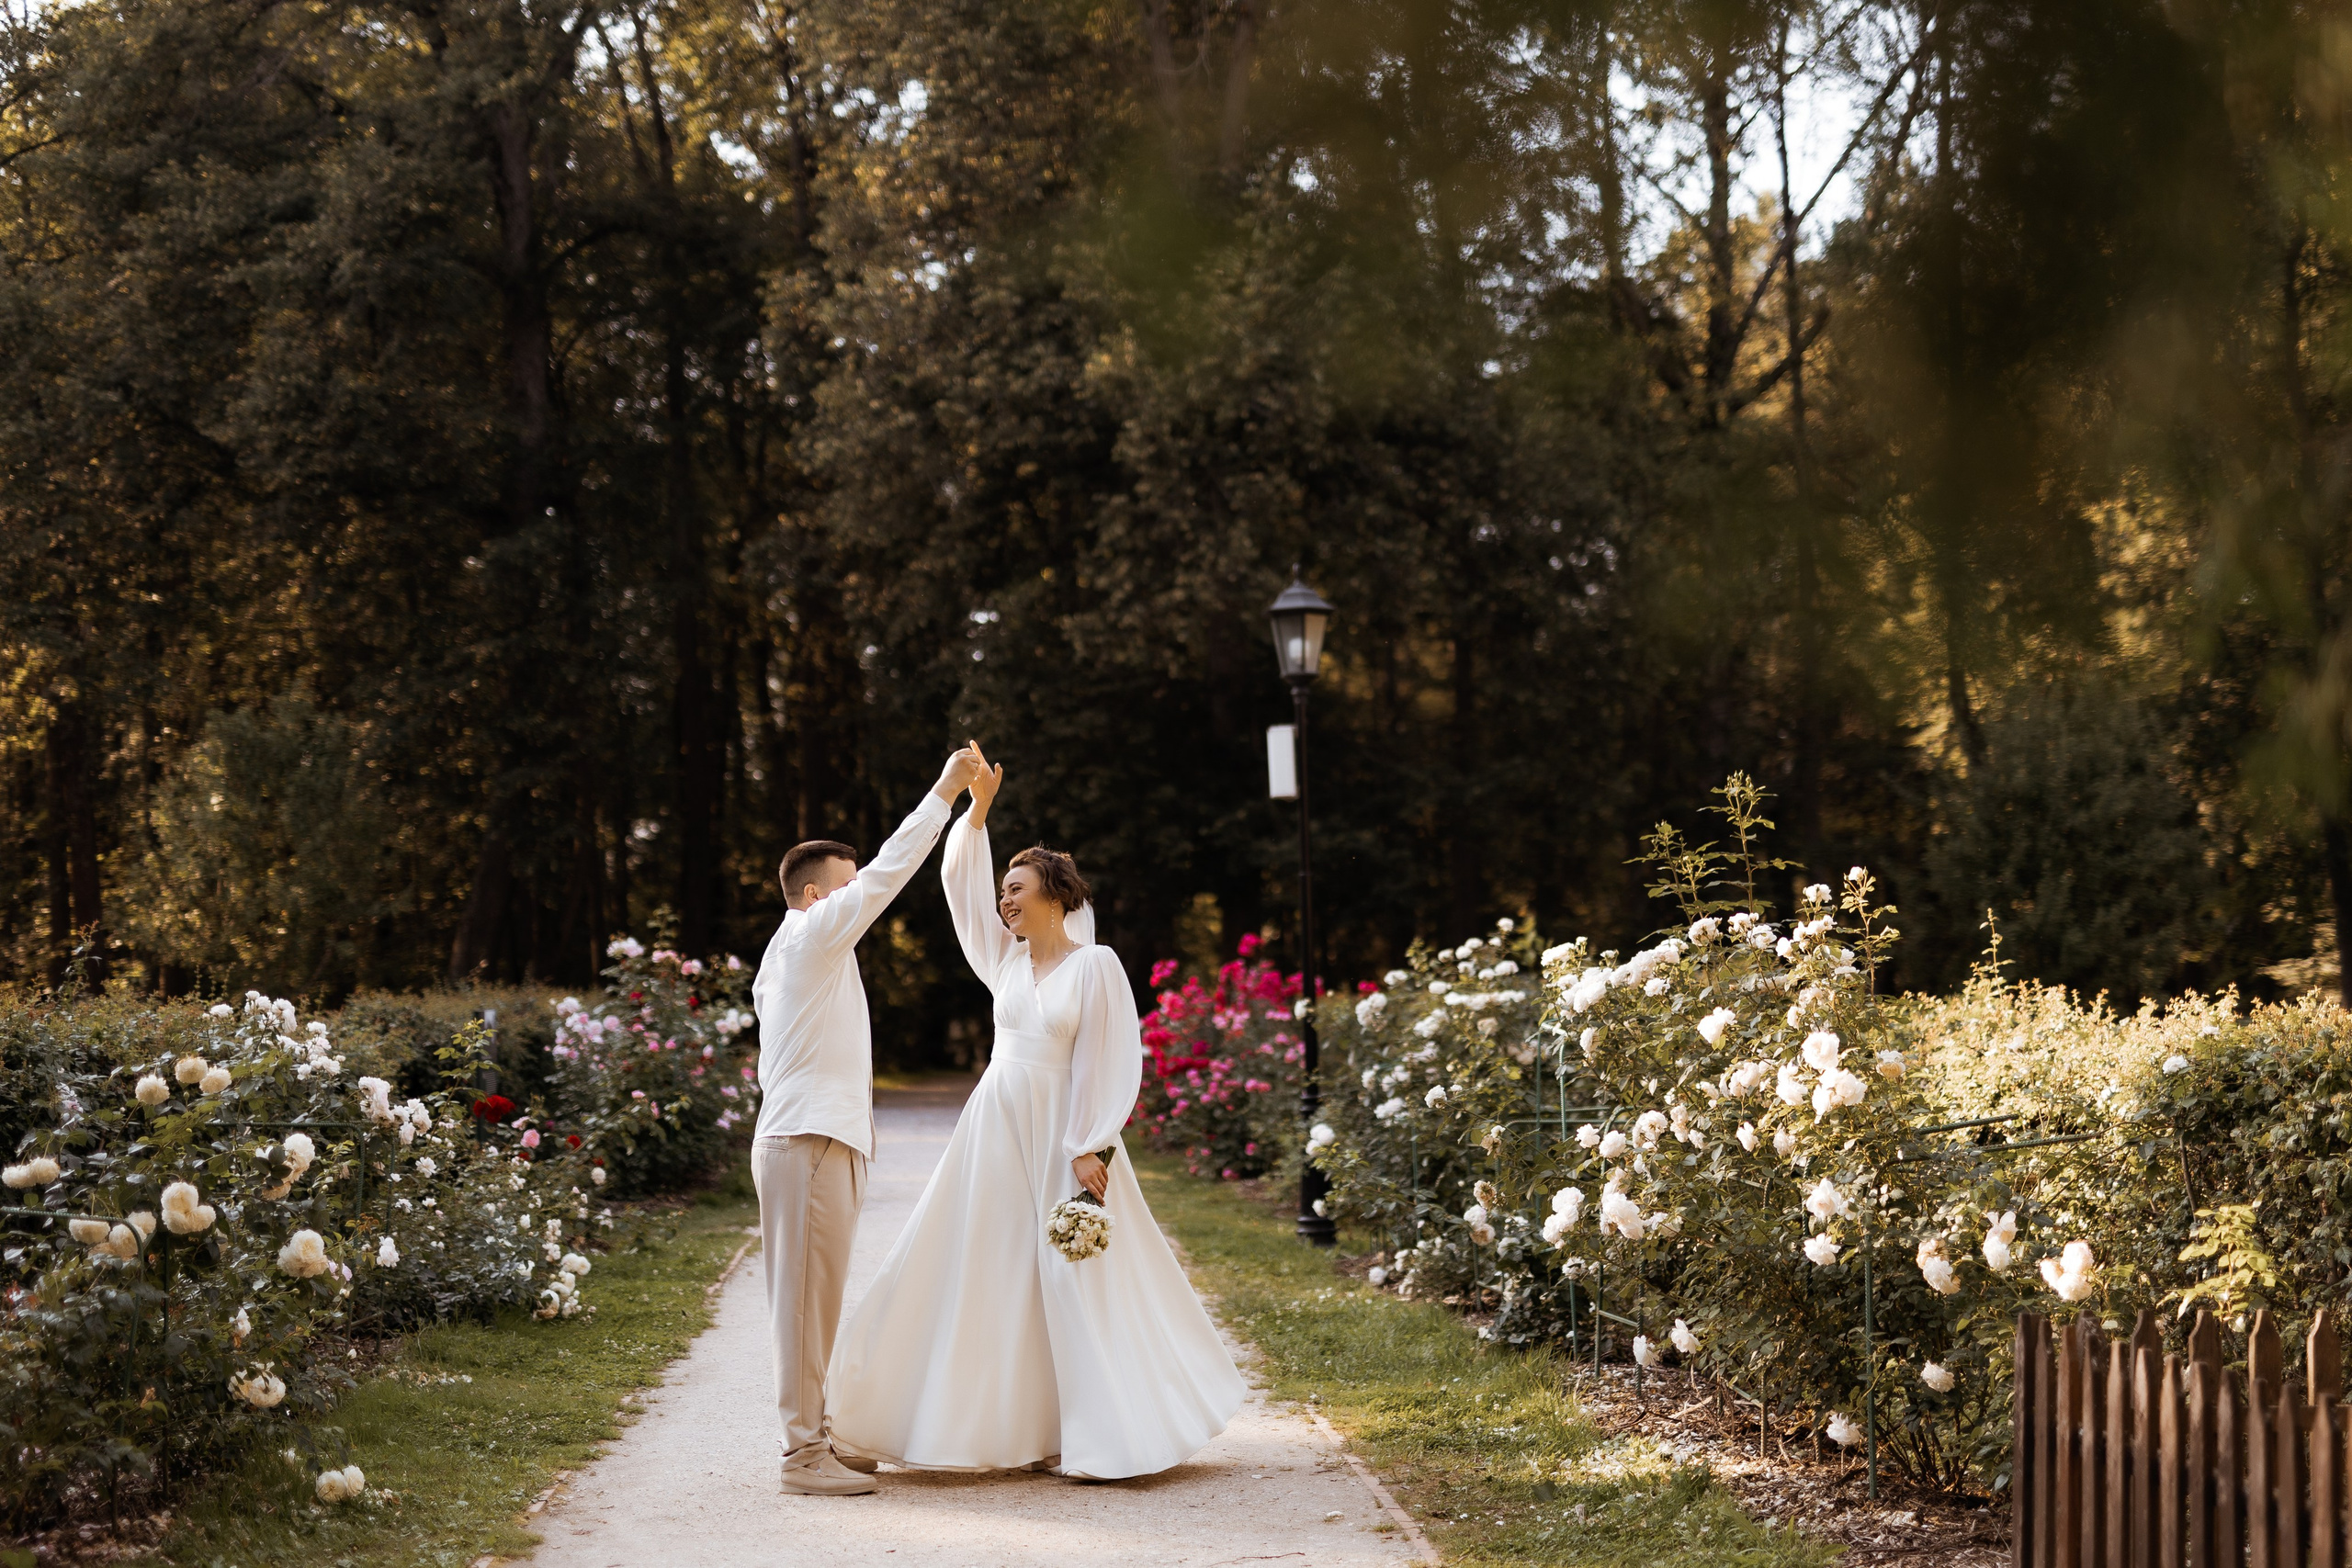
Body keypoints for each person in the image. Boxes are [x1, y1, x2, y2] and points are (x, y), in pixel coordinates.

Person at [826, 743, 1245, 1480]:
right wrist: (976, 813)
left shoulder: (1097, 966)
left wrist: (1091, 1145)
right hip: (994, 1129)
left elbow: (1111, 1062)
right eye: (1004, 892)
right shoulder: (1005, 960)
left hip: (1062, 1136)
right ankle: (929, 1416)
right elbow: (959, 885)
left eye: (1018, 888)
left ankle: (1092, 1434)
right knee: (973, 1263)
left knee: (1070, 1272)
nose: (1005, 901)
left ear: (1057, 893)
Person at [751, 743, 985, 1496]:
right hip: (808, 1140)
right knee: (800, 1304)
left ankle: (816, 1439)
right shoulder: (811, 935)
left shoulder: (805, 951)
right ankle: (800, 1456)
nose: (862, 901)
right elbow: (889, 869)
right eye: (846, 891)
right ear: (818, 897)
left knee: (815, 1299)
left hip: (821, 1139)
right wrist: (945, 793)